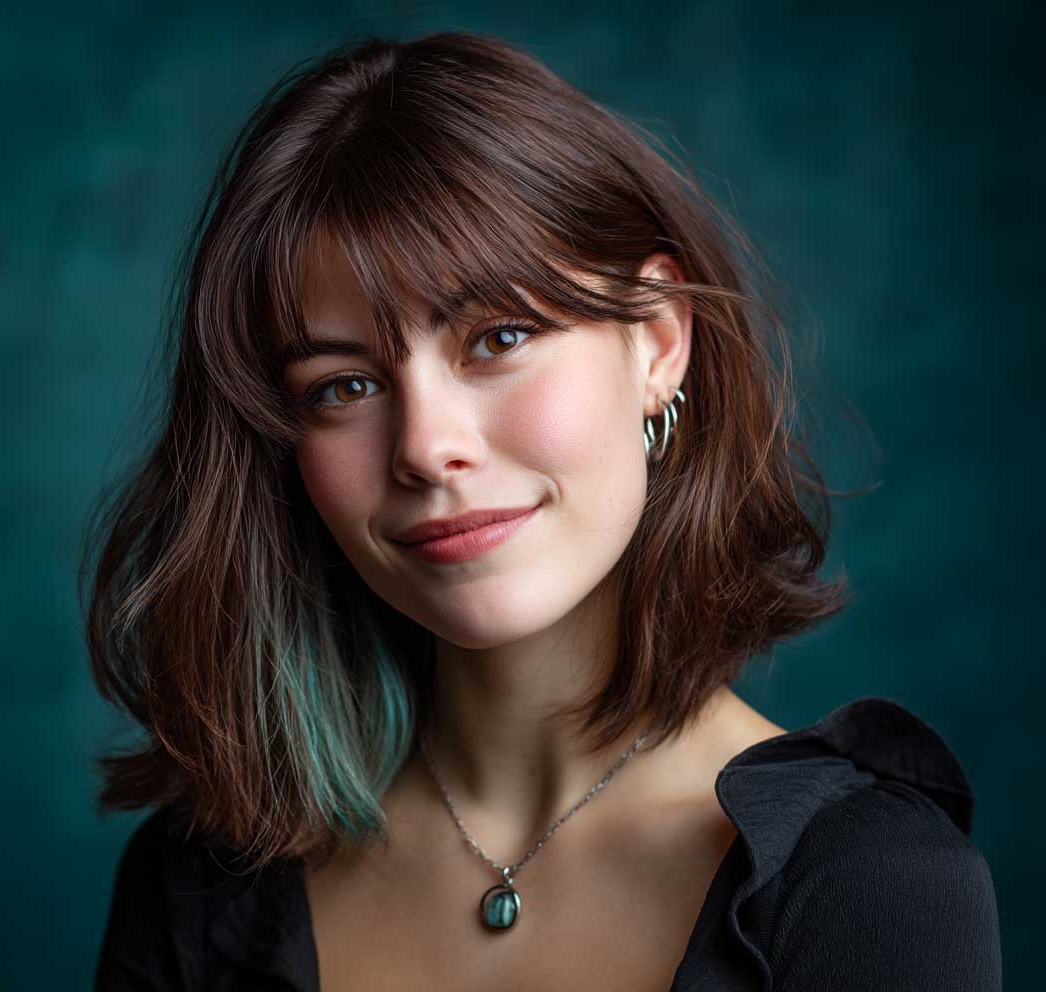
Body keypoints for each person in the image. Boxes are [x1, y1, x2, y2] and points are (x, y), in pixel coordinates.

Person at [84, 29, 1002, 991]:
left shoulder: (871, 890)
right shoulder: (199, 882)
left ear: (656, 342)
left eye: (499, 337)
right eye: (342, 388)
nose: (426, 447)